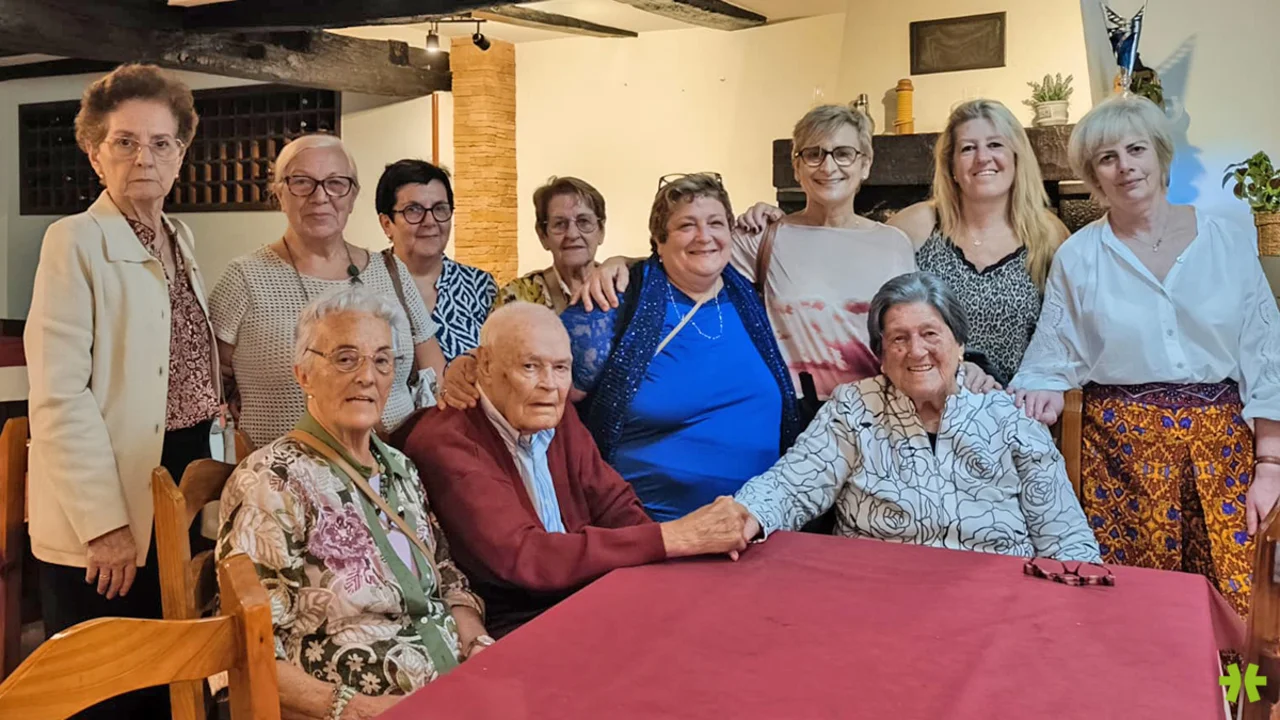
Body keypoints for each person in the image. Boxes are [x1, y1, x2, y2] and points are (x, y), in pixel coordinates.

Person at [1010, 95, 1280, 615]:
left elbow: (1268, 359)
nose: (1125, 166)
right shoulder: (1079, 255)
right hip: (1120, 462)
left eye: (1136, 150)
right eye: (1107, 158)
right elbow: (1051, 354)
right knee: (1136, 611)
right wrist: (1041, 387)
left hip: (1225, 454)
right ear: (1093, 175)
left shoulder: (1226, 241)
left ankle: (1228, 677)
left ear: (1160, 155)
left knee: (1239, 607)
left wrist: (1270, 466)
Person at [24, 63, 218, 718]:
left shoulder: (179, 237)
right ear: (94, 152)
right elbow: (59, 397)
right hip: (107, 495)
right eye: (125, 142)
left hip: (179, 477)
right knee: (107, 685)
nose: (145, 158)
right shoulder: (74, 241)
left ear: (181, 153)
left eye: (161, 143)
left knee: (170, 677)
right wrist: (105, 526)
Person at [580, 106, 995, 406]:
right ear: (797, 167)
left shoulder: (894, 243)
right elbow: (687, 259)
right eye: (813, 153)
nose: (828, 166)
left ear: (865, 164)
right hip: (793, 413)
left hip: (878, 412)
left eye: (843, 153)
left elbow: (911, 329)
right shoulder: (764, 237)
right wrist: (620, 263)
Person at [216, 286, 491, 719]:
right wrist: (357, 709)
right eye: (346, 359)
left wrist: (477, 644)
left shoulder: (400, 467)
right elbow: (248, 647)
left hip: (455, 692)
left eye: (382, 360)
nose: (367, 376)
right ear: (303, 375)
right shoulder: (271, 481)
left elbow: (447, 578)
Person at [400, 302, 752, 636]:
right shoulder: (446, 441)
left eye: (561, 368)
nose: (549, 384)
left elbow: (614, 503)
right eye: (530, 366)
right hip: (518, 622)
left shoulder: (550, 409)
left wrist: (667, 560)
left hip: (587, 593)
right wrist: (673, 537)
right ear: (486, 366)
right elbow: (526, 556)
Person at [728, 272, 1100, 562]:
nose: (916, 351)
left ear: (960, 345)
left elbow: (1066, 537)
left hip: (995, 600)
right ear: (881, 356)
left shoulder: (1010, 418)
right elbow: (791, 486)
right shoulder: (853, 409)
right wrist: (743, 515)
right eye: (899, 338)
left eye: (930, 334)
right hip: (879, 592)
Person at [557, 173, 802, 521]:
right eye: (687, 225)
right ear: (659, 240)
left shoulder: (752, 297)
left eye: (715, 223)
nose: (704, 236)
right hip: (653, 531)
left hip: (761, 524)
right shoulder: (614, 302)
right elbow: (544, 398)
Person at [211, 136, 446, 448]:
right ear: (279, 193)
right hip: (285, 469)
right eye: (302, 182)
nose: (320, 196)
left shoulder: (391, 271)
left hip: (394, 462)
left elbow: (435, 374)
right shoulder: (245, 278)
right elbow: (211, 379)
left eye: (336, 183)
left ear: (353, 196)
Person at [888, 99, 1068, 386]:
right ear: (952, 166)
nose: (983, 158)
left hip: (1017, 402)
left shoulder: (1048, 234)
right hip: (928, 398)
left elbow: (1064, 335)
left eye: (995, 145)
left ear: (1016, 158)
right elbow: (877, 317)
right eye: (968, 148)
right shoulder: (918, 225)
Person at [377, 159, 497, 361]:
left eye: (440, 208)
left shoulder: (479, 286)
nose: (430, 221)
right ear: (387, 223)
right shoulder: (365, 282)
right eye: (413, 210)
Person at [493, 176, 607, 312]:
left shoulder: (622, 288)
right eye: (559, 224)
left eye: (583, 221)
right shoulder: (517, 297)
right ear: (543, 236)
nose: (572, 234)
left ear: (601, 231)